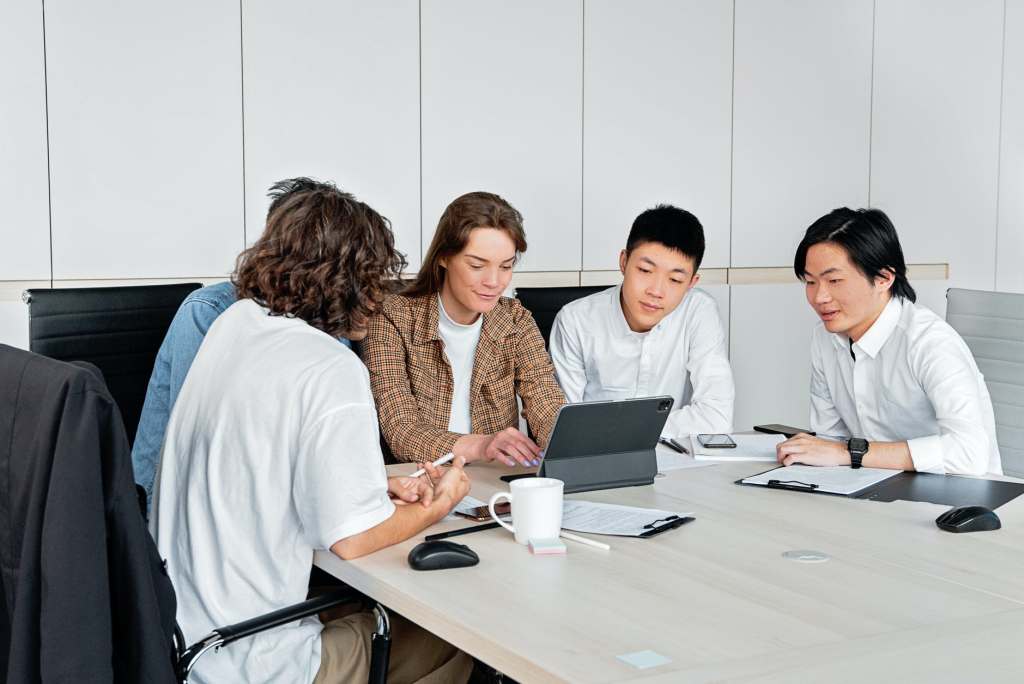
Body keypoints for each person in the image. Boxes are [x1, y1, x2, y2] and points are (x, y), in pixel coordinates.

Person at [150, 178, 473, 684]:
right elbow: (351, 540)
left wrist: (371, 485)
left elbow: (259, 463)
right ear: (346, 281)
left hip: (182, 639)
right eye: (373, 278)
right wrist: (440, 503)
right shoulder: (328, 366)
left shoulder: (235, 324)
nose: (381, 295)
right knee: (452, 634)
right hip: (252, 660)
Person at [131, 178, 352, 509]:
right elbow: (205, 453)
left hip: (282, 501)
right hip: (178, 511)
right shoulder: (209, 313)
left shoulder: (329, 316)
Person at [777, 207, 1001, 476]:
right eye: (810, 282)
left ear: (883, 278)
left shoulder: (929, 342)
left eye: (834, 280)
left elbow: (970, 453)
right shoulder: (824, 338)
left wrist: (848, 453)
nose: (819, 297)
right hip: (868, 489)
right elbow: (830, 441)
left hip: (954, 500)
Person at [363, 191, 566, 467]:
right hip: (422, 482)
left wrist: (566, 439)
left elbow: (545, 401)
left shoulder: (515, 319)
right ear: (444, 257)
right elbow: (401, 428)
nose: (494, 282)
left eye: (506, 266)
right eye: (476, 265)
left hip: (493, 481)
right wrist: (482, 445)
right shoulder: (394, 317)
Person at [549, 204, 734, 438]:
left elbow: (717, 417)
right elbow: (564, 424)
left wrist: (618, 428)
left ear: (691, 283)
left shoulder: (699, 311)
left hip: (677, 463)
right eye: (645, 270)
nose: (656, 291)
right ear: (624, 262)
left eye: (675, 280)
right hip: (596, 462)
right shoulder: (576, 320)